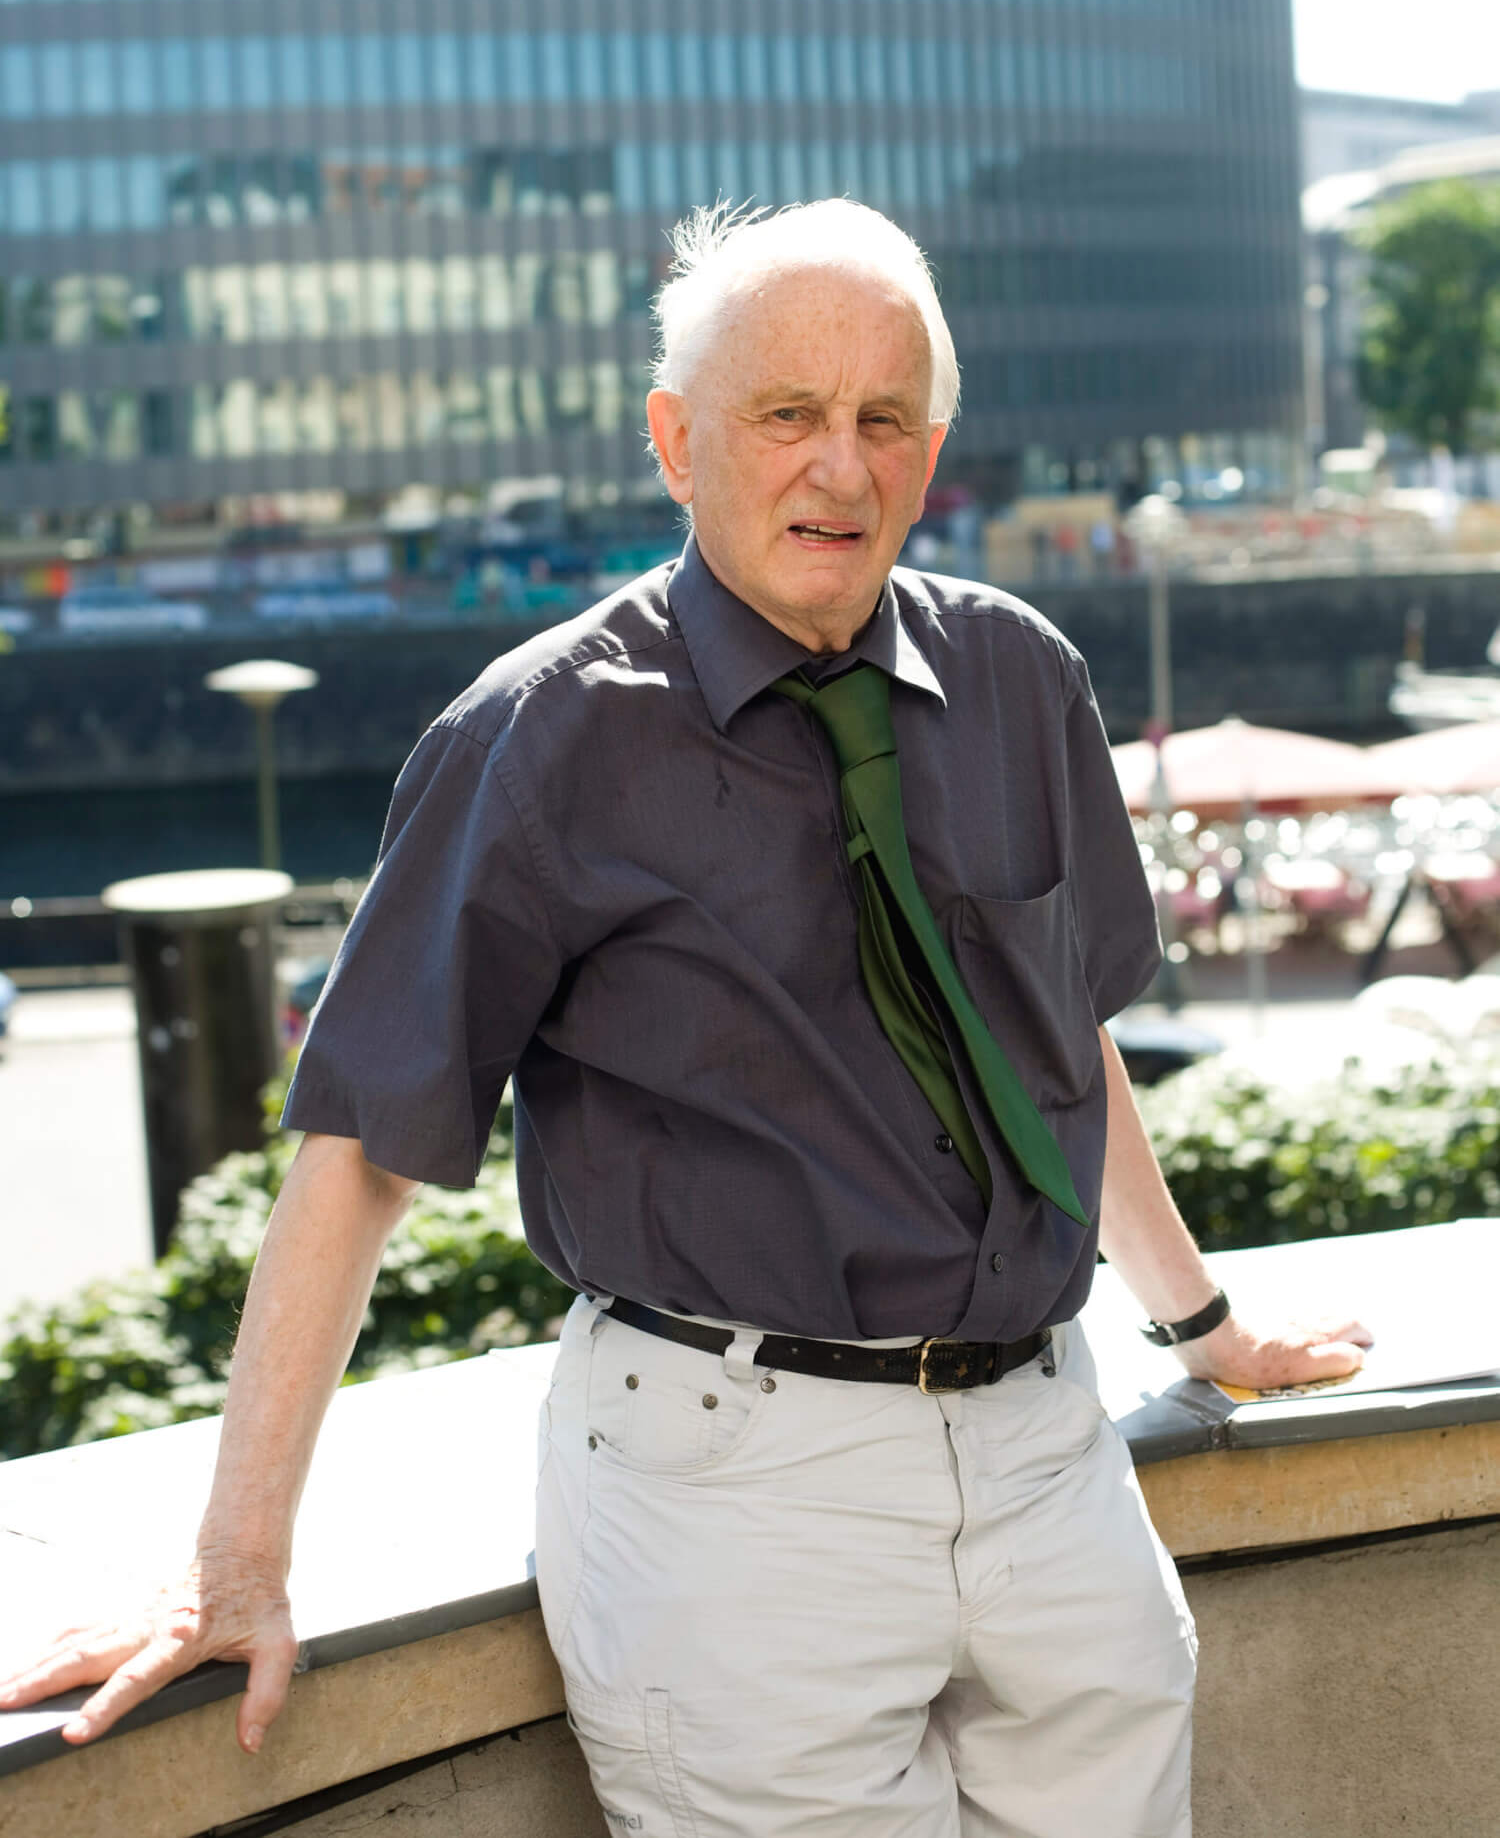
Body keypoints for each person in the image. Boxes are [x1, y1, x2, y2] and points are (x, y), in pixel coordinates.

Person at [0, 202, 1369, 1836]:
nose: (839, 469)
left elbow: (1053, 1058)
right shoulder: (541, 737)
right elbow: (361, 1150)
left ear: (934, 450)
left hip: (1052, 1464)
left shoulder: (1025, 677)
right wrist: (238, 1561)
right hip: (735, 1501)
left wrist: (1205, 1328)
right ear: (675, 439)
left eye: (882, 421)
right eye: (786, 414)